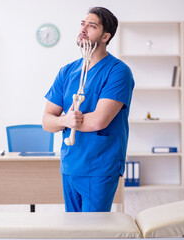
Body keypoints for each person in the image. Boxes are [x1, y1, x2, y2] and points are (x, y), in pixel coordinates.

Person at [42, 7, 134, 212]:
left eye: (92, 26)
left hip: (99, 165)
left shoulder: (118, 71)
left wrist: (67, 121)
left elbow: (98, 121)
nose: (84, 29)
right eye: (82, 24)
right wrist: (65, 121)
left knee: (94, 229)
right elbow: (47, 121)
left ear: (105, 36)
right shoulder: (67, 71)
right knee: (74, 229)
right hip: (71, 164)